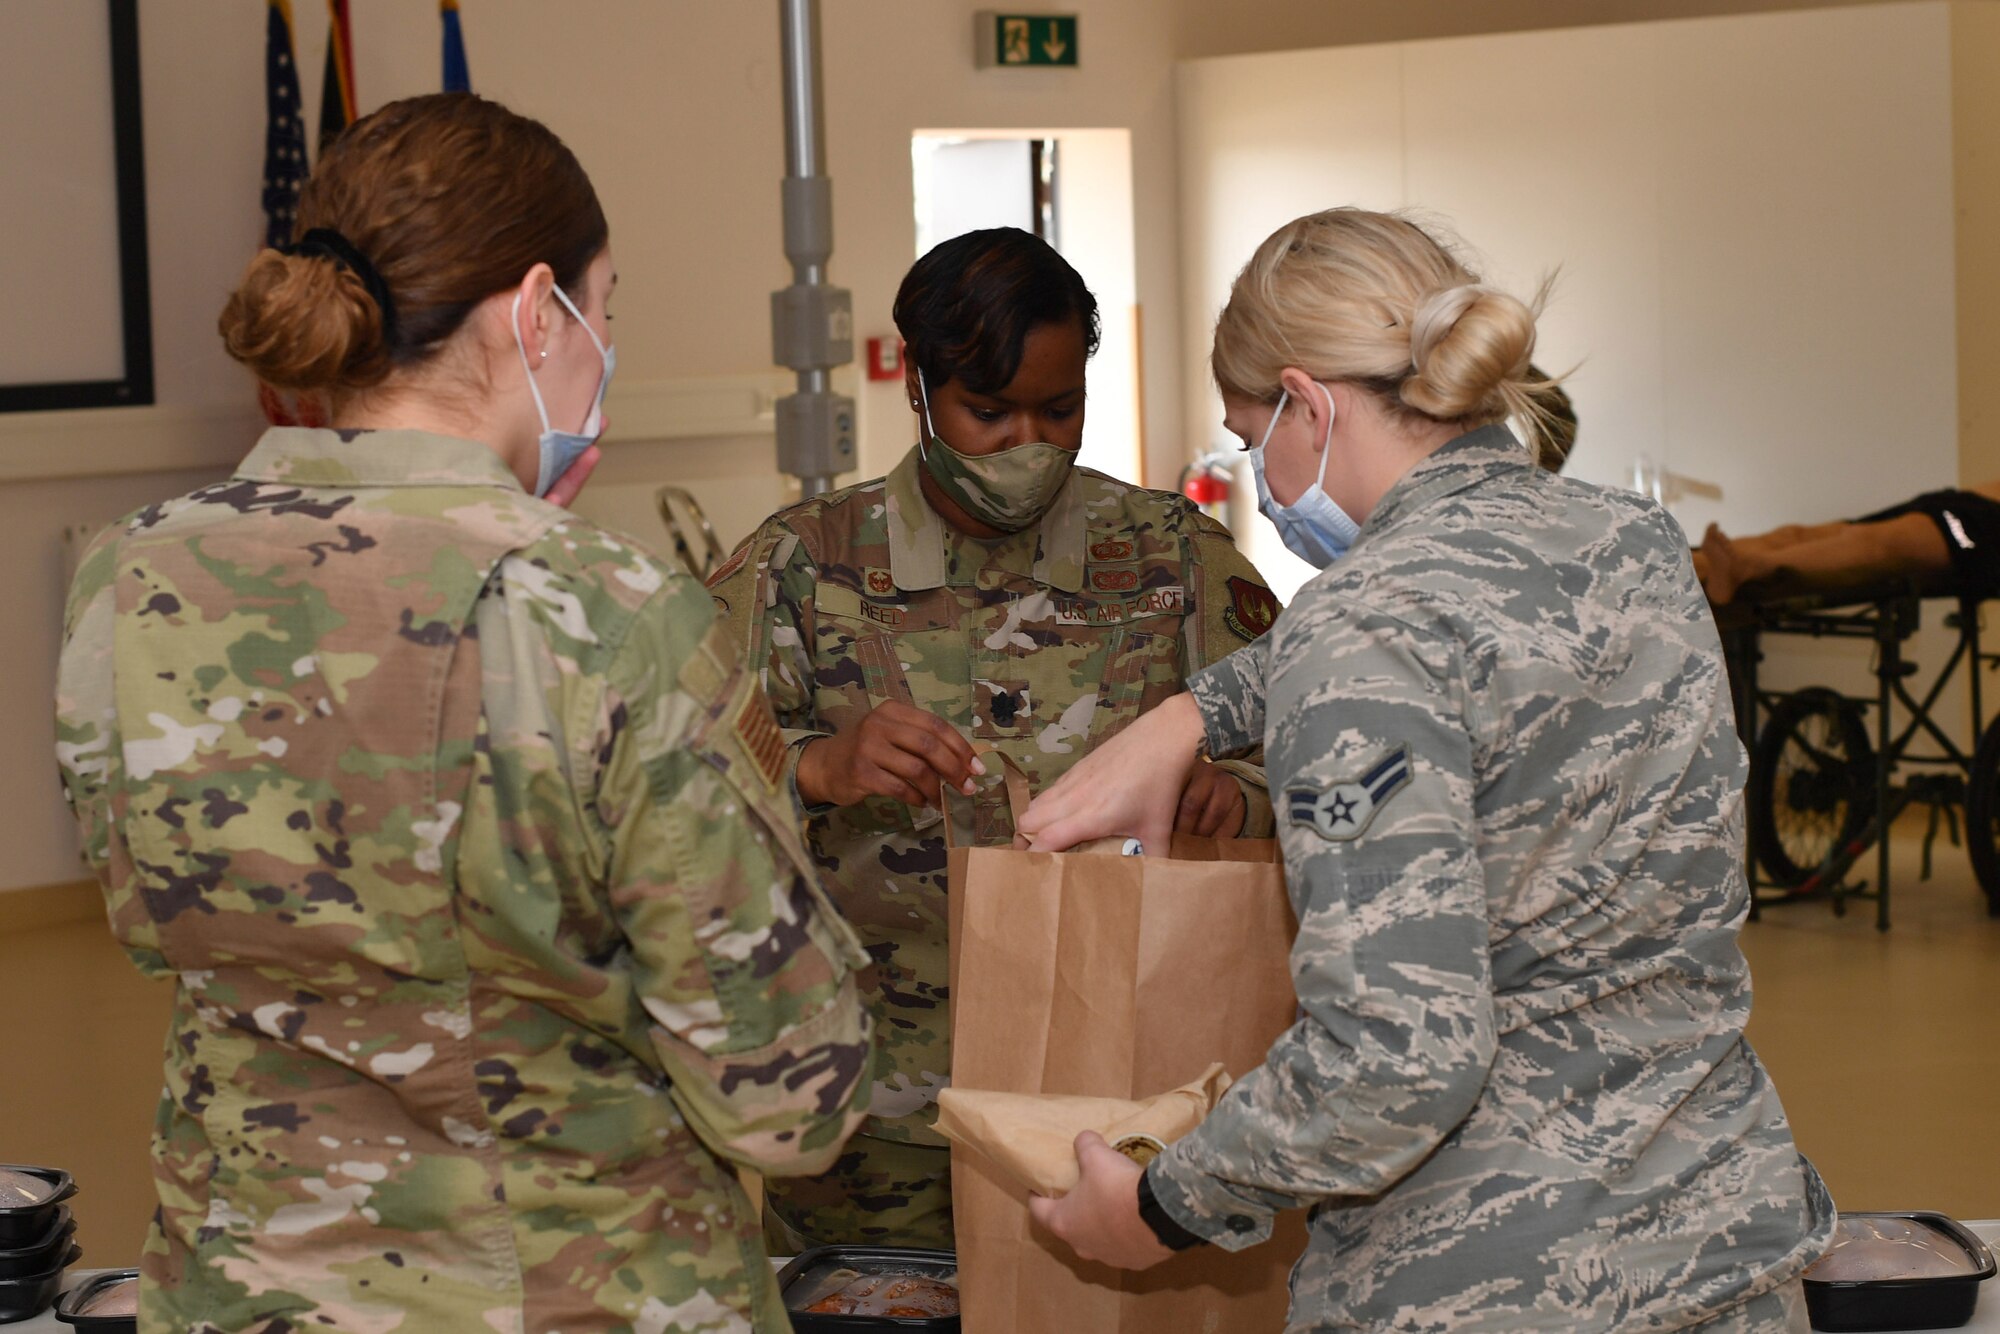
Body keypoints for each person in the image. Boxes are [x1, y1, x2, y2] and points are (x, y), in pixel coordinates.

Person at [54, 93, 871, 1333]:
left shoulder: (130, 572)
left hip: (244, 1290)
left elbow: (165, 931)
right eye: (605, 307)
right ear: (538, 310)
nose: (605, 339)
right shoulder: (604, 610)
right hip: (569, 1293)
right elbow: (784, 1094)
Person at [1016, 208, 1833, 1332]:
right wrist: (1196, 712)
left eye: (1252, 441)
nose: (1259, 478)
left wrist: (1159, 1204)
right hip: (1719, 1248)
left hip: (1489, 1284)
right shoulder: (1632, 543)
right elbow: (1478, 625)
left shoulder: (1355, 630)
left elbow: (1394, 1062)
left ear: (1308, 405)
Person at [708, 226, 1281, 1250]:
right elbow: (674, 792)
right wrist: (820, 765)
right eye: (987, 410)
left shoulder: (1170, 554)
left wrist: (1230, 797)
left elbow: (1324, 774)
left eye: (1057, 409)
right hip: (875, 1106)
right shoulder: (800, 565)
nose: (1026, 440)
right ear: (918, 393)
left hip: (1123, 1100)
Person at [1695, 485, 2000, 604]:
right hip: (1964, 501)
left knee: (1873, 543)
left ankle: (1748, 568)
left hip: (1988, 529)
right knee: (1796, 535)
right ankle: (1687, 566)